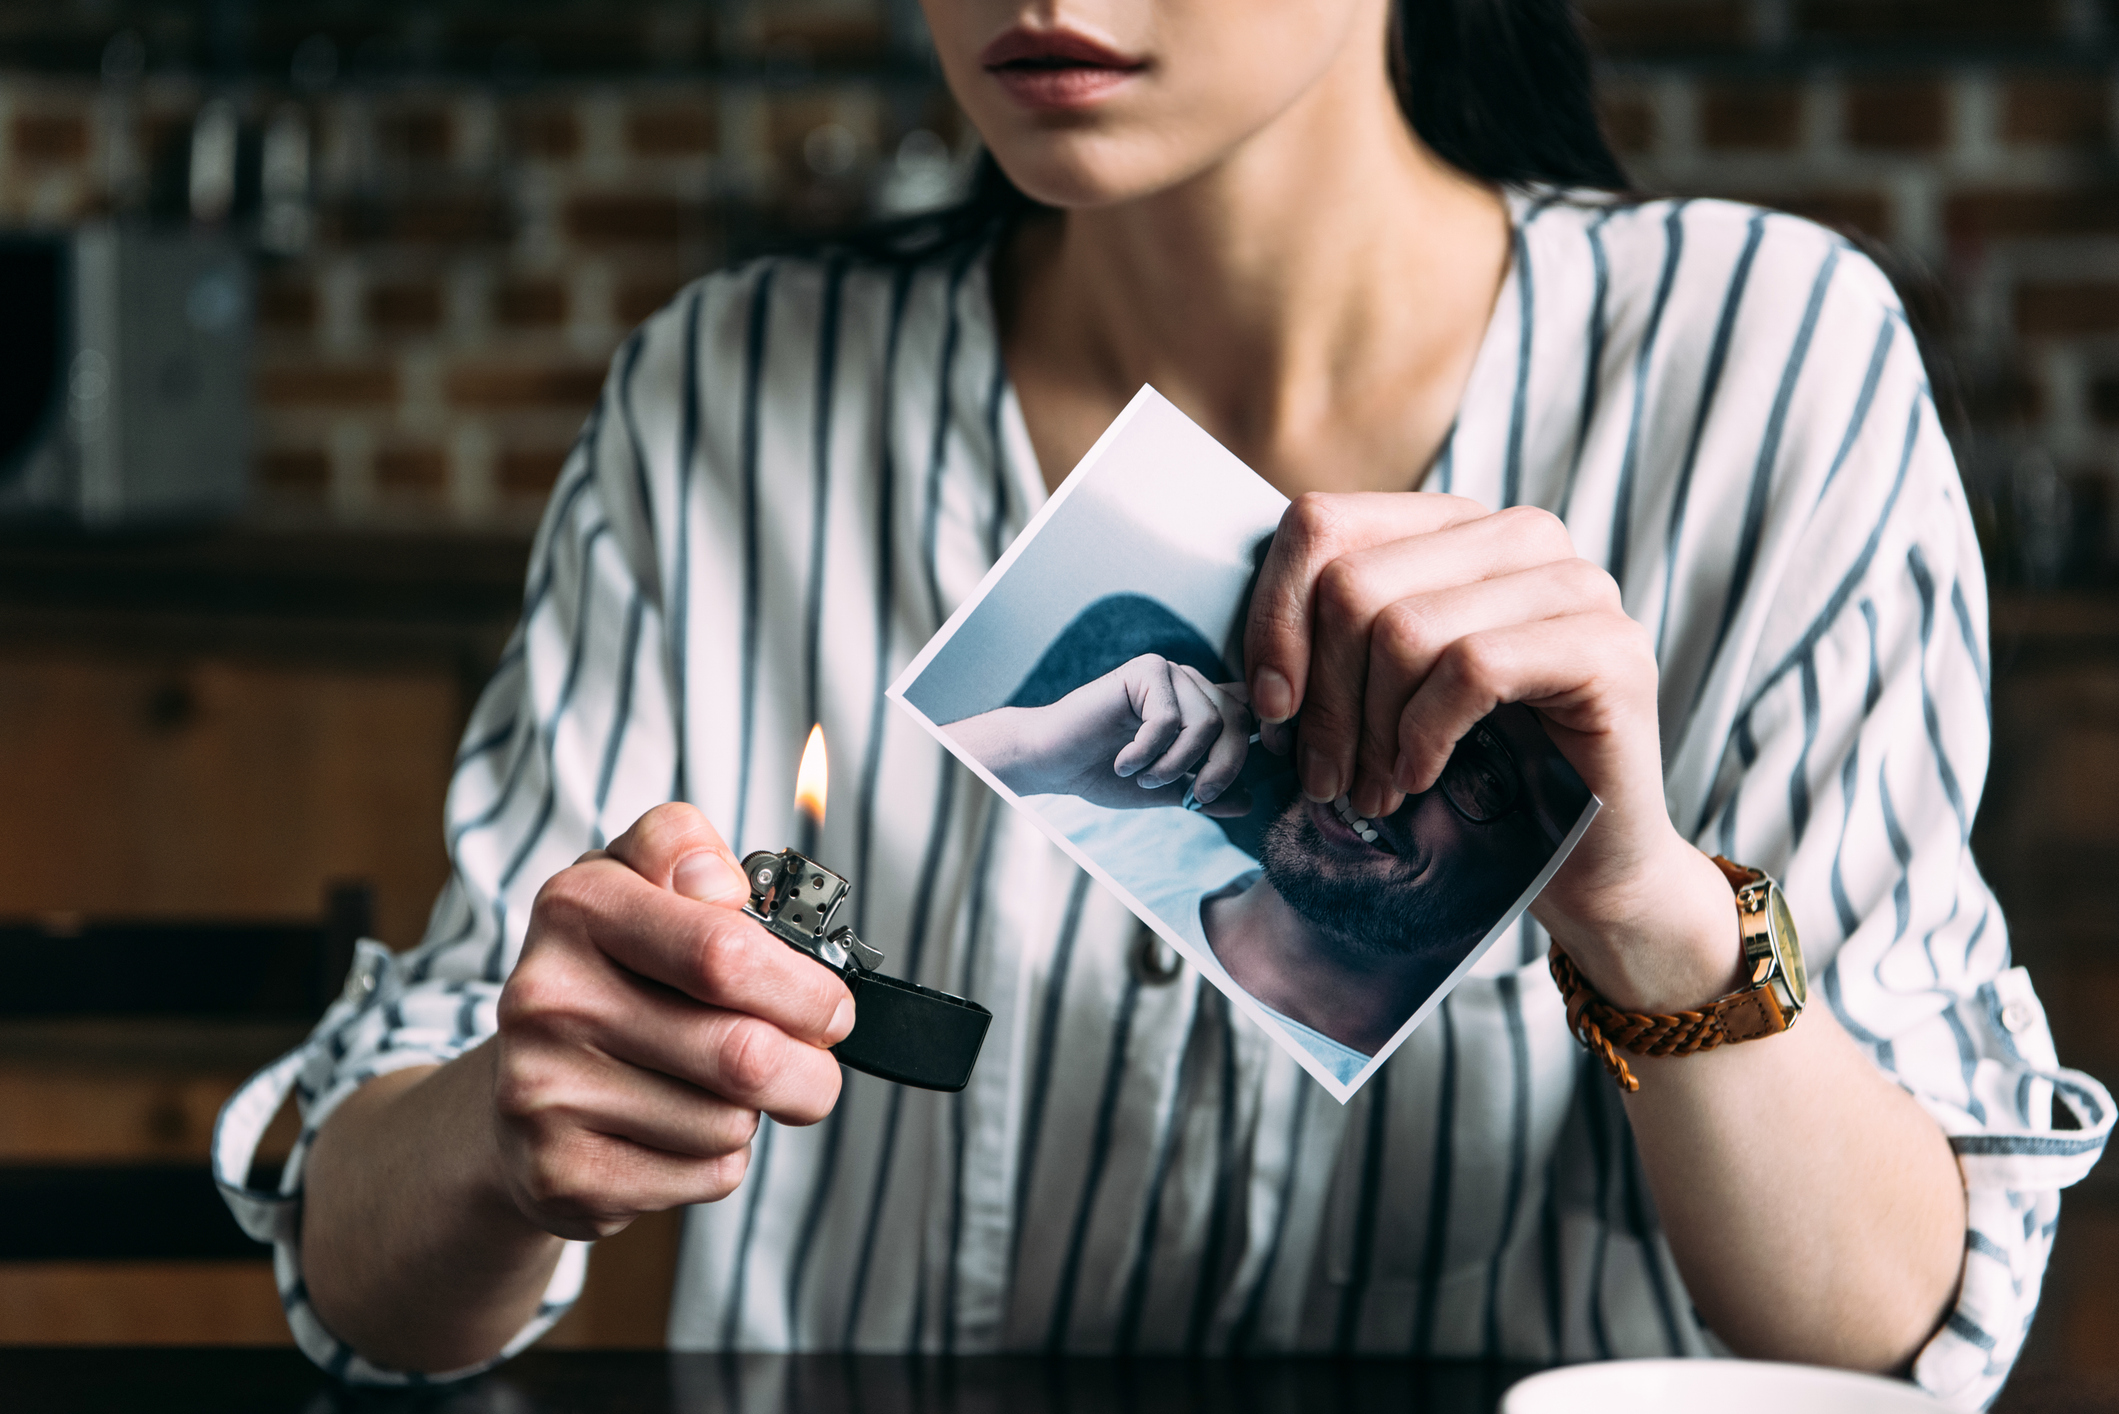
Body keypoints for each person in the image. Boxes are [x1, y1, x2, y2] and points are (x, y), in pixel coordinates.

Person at [211, 0, 2109, 1404]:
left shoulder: (1762, 367)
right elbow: (370, 1276)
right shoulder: (723, 395)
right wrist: (504, 1131)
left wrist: (1639, 907)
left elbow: (1890, 1332)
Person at [946, 654, 1586, 1078]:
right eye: (1402, 712)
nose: (1388, 778)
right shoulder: (1096, 818)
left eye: (1482, 775)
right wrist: (1027, 751)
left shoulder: (1410, 1121)